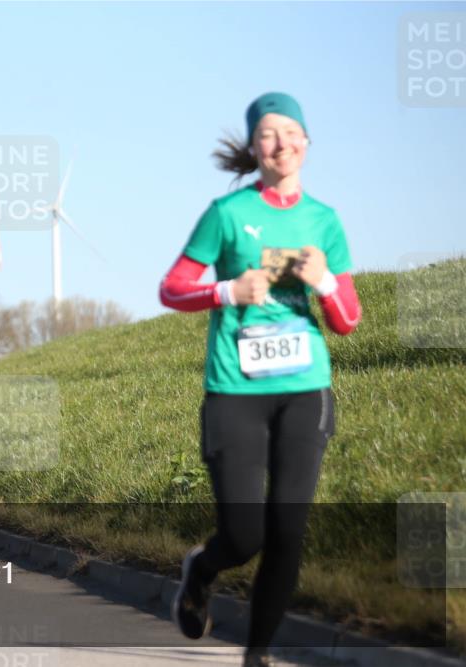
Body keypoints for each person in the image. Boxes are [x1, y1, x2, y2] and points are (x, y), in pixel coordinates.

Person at [159, 93, 362, 667]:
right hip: (235, 391)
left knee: (288, 531)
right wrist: (228, 290)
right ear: (254, 147)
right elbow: (172, 288)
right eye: (268, 134)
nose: (281, 143)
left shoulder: (324, 220)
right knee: (245, 535)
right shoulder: (226, 214)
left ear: (307, 142)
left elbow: (347, 320)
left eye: (291, 132)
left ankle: (258, 654)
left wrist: (324, 283)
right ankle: (202, 571)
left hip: (304, 389)